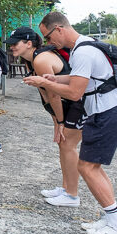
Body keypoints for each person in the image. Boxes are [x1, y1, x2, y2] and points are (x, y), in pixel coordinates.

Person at [24, 12, 117, 234]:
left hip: (107, 113)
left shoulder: (82, 51)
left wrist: (44, 82)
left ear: (60, 29)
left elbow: (75, 92)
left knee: (87, 167)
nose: (49, 43)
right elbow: (79, 79)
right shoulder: (86, 45)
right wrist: (53, 79)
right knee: (92, 167)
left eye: (49, 36)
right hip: (107, 111)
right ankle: (110, 217)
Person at [8, 26, 83, 207]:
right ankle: (66, 189)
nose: (11, 47)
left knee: (68, 145)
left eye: (15, 44)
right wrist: (56, 121)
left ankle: (72, 195)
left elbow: (54, 95)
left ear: (29, 43)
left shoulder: (40, 60)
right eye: (10, 44)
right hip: (65, 106)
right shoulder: (29, 60)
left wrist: (61, 121)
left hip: (77, 103)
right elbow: (45, 96)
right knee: (62, 144)